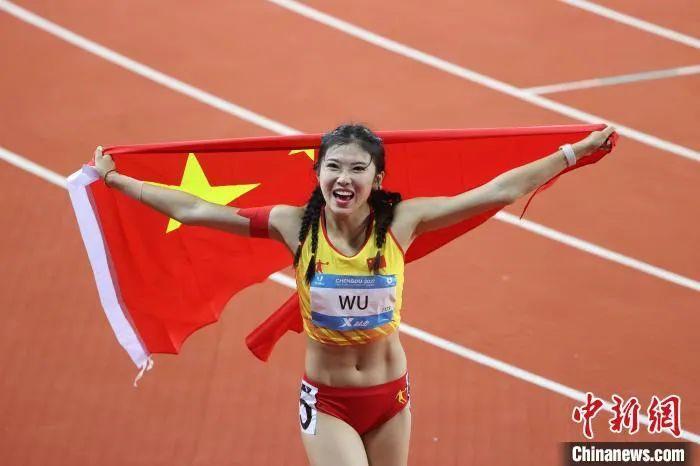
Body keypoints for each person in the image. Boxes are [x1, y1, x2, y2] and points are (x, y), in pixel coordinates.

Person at [93, 123, 615, 466]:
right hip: (329, 403)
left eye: (357, 169)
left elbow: (497, 192)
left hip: (392, 398)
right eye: (334, 167)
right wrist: (119, 183)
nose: (344, 178)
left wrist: (573, 153)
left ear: (377, 178)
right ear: (317, 173)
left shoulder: (405, 221)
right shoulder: (292, 224)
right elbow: (195, 210)